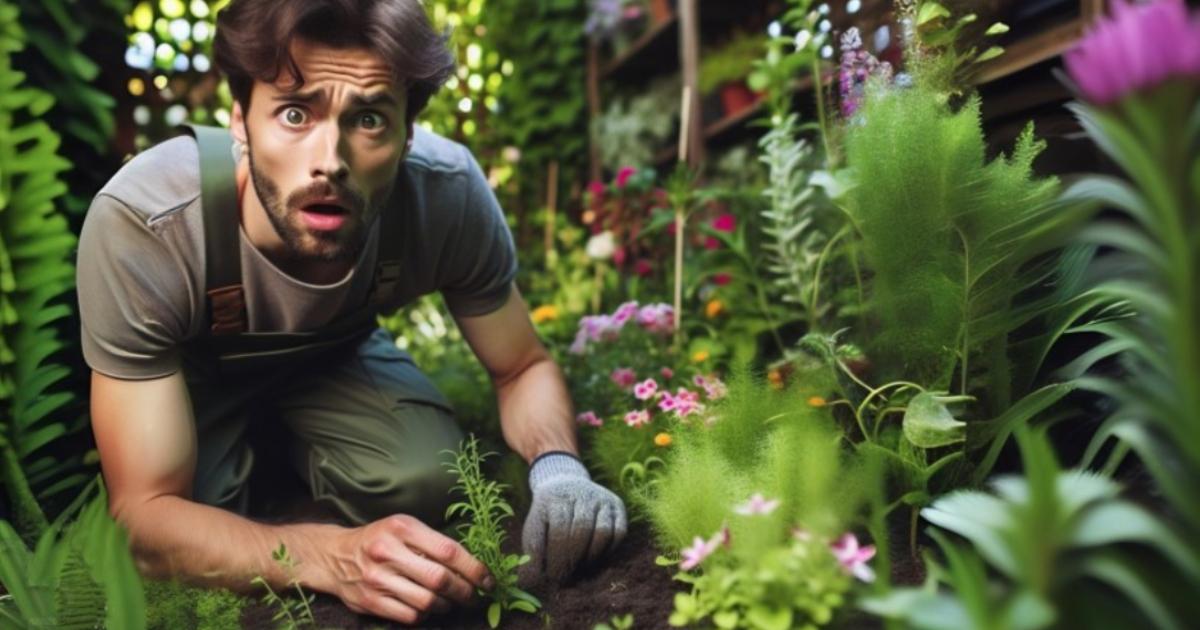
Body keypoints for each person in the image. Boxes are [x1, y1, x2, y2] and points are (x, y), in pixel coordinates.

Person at [75, 0, 626, 624]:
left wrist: (559, 470)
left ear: (406, 135)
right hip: (191, 384)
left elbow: (521, 365)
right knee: (198, 526)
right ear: (239, 120)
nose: (329, 160)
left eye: (367, 118)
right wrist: (333, 555)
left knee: (429, 481)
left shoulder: (443, 194)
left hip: (332, 359)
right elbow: (144, 515)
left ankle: (299, 451)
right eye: (293, 112)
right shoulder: (148, 223)